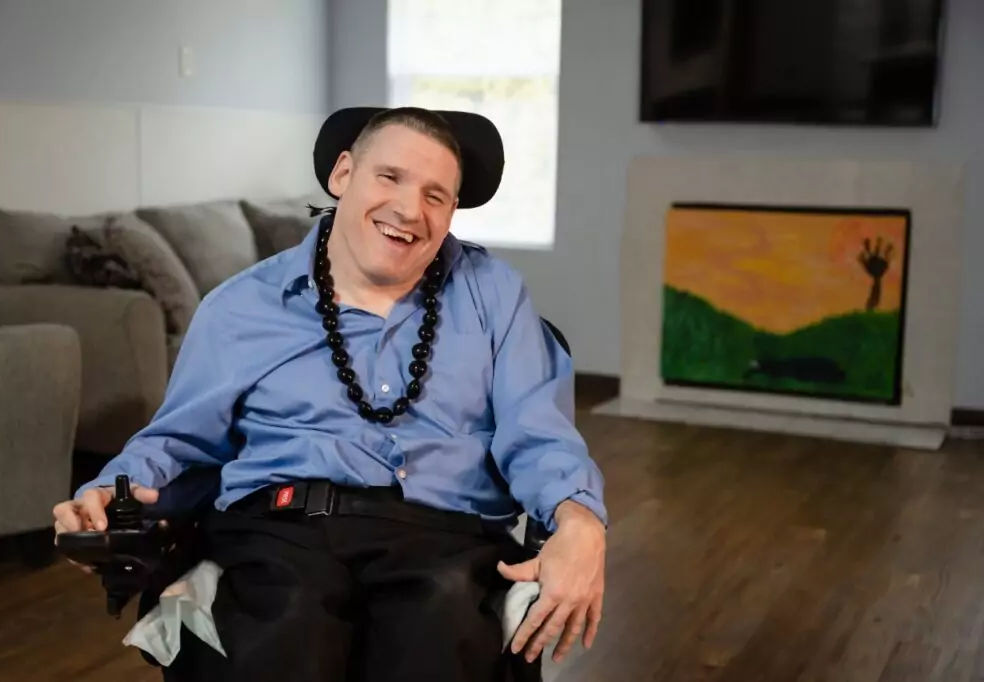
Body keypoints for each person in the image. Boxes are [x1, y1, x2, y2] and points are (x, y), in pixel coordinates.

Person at [53, 106, 608, 682]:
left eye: (436, 196)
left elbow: (540, 434)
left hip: (446, 537)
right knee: (285, 622)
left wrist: (580, 522)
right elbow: (178, 444)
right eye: (389, 177)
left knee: (440, 620)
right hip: (279, 531)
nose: (409, 210)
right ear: (343, 175)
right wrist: (102, 499)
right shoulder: (243, 306)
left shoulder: (493, 294)